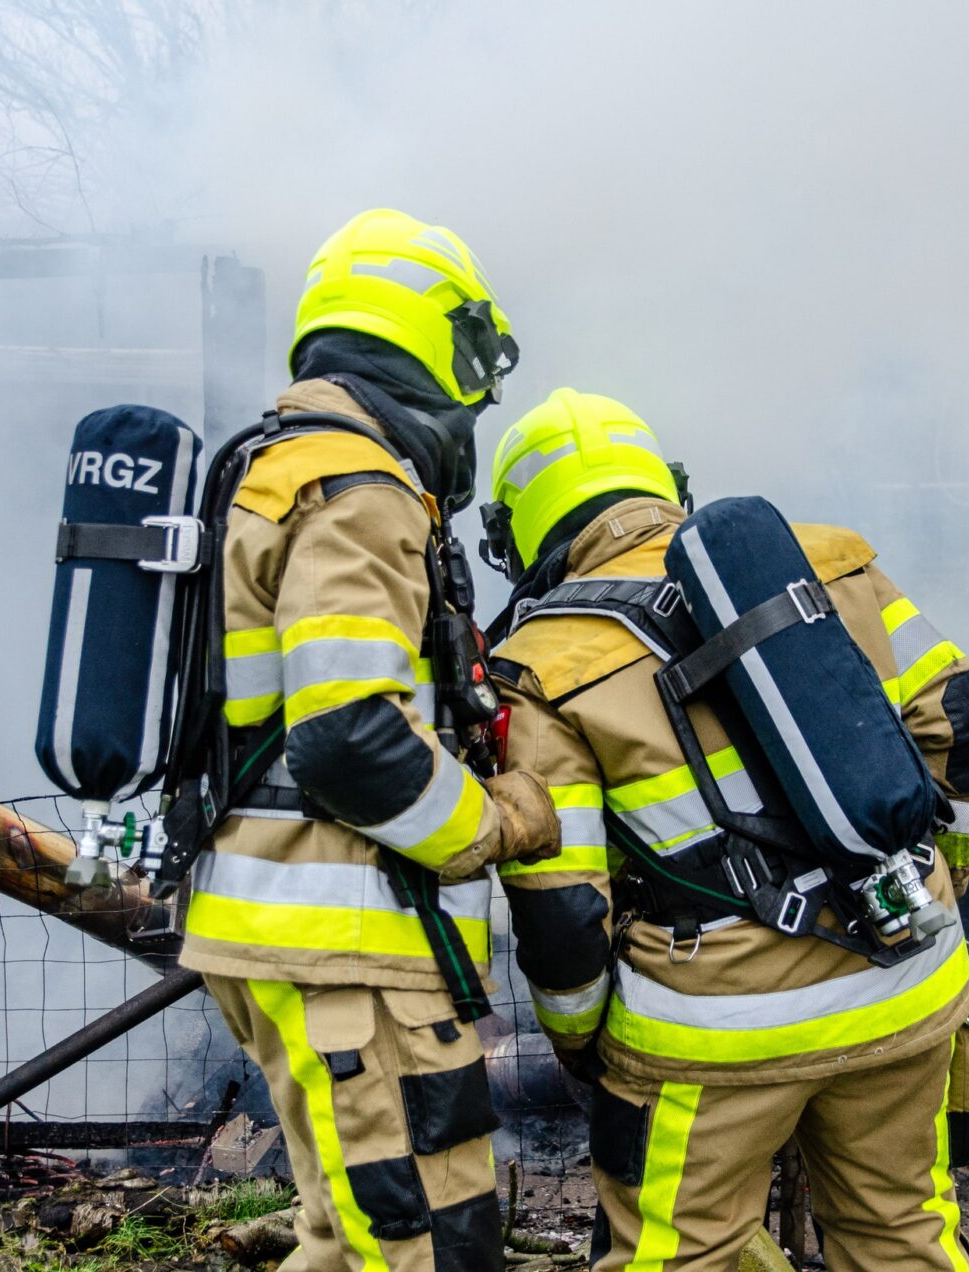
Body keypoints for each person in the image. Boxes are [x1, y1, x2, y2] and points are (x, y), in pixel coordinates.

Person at [482, 388, 969, 1272]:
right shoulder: (831, 562)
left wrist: (581, 1042)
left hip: (710, 1037)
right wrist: (941, 886)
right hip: (905, 982)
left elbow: (565, 909)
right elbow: (962, 722)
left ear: (521, 532)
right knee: (902, 1232)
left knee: (681, 1256)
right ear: (663, 480)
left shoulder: (543, 662)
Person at [179, 208, 561, 1272]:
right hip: (343, 944)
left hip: (282, 928)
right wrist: (496, 820)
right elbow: (347, 738)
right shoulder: (359, 489)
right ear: (429, 338)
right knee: (426, 1245)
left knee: (346, 1236)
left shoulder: (268, 467)